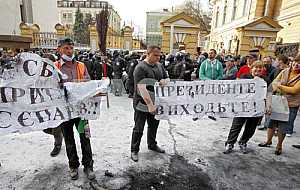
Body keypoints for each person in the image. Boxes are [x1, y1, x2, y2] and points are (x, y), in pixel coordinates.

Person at [55, 38, 95, 180]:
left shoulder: (81, 66)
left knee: (85, 137)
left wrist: (84, 84)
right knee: (69, 140)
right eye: (66, 48)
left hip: (81, 111)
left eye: (71, 48)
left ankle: (88, 166)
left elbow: (88, 83)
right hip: (65, 112)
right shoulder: (54, 67)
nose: (69, 51)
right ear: (59, 49)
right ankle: (73, 166)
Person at [130, 45, 169, 162]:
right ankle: (134, 150)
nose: (158, 58)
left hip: (157, 102)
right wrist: (150, 105)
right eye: (155, 55)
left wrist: (164, 81)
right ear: (148, 54)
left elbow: (168, 78)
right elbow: (141, 89)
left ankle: (152, 144)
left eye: (159, 55)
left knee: (154, 126)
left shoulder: (160, 66)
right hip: (141, 103)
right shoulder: (140, 68)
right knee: (139, 128)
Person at [258, 53, 300, 154]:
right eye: (296, 62)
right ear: (292, 62)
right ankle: (268, 141)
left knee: (283, 126)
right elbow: (274, 84)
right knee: (271, 123)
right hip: (277, 101)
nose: (297, 64)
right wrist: (279, 87)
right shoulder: (285, 71)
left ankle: (279, 145)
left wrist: (280, 86)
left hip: (291, 105)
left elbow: (294, 90)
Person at [223, 61, 268, 154]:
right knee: (236, 126)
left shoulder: (265, 80)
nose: (258, 69)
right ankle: (230, 143)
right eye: (256, 67)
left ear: (263, 70)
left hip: (256, 108)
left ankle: (243, 142)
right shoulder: (245, 77)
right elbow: (237, 90)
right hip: (242, 107)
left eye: (260, 68)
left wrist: (268, 106)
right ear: (252, 68)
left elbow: (269, 93)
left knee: (251, 128)